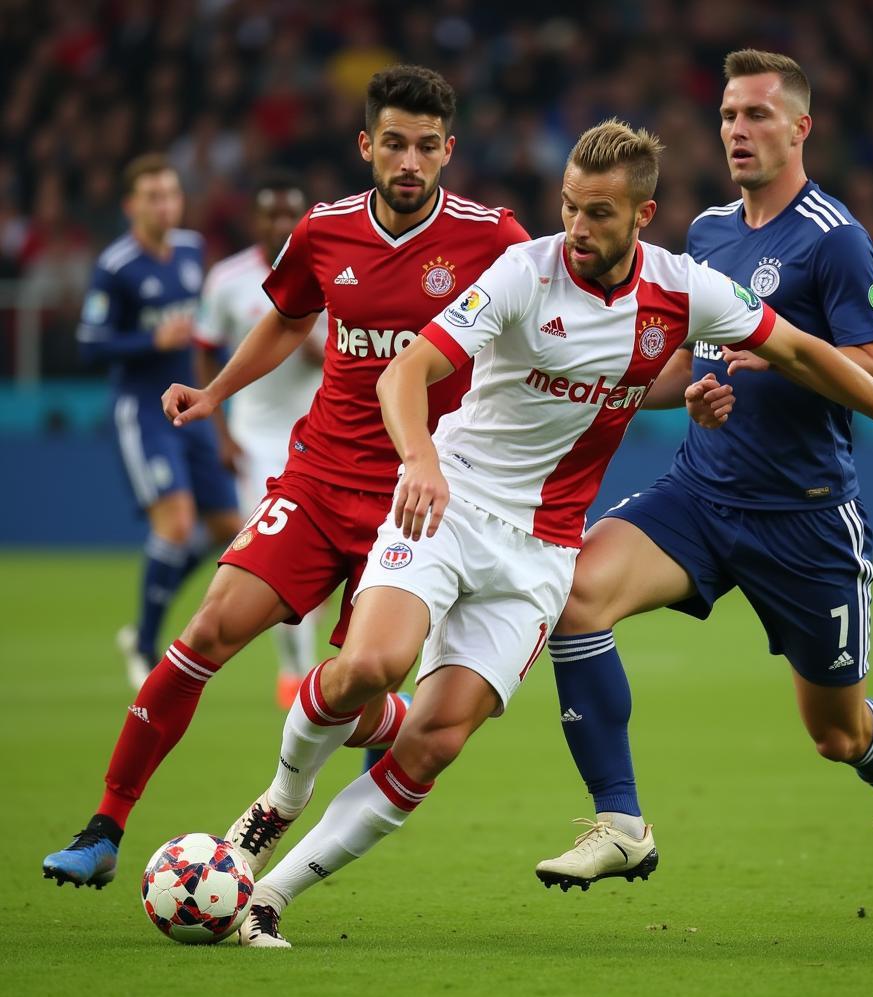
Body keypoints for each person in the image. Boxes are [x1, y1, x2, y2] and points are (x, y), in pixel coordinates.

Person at [222, 119, 873, 948]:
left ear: (643, 216)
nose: (577, 230)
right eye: (568, 207)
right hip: (452, 502)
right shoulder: (524, 271)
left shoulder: (683, 289)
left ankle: (269, 898)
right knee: (369, 668)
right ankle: (276, 806)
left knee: (434, 742)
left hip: (543, 549)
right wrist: (418, 459)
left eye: (596, 214)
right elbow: (409, 367)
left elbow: (803, 352)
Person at [42, 64, 529, 891]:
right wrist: (215, 391)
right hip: (319, 477)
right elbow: (287, 318)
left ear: (448, 151)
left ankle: (385, 719)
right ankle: (105, 825)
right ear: (366, 145)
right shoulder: (325, 230)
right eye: (394, 145)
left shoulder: (495, 238)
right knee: (206, 633)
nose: (409, 163)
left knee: (364, 678)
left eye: (426, 148)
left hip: (420, 502)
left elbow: (559, 314)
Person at [534, 49, 873, 892]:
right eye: (726, 116)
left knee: (835, 732)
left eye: (755, 115)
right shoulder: (709, 232)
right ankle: (620, 820)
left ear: (800, 128)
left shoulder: (836, 240)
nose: (737, 131)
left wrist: (768, 363)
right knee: (573, 597)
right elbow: (687, 363)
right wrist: (612, 390)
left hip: (805, 516)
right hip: (701, 494)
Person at [75, 154, 241, 691]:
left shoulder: (192, 251)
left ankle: (148, 617)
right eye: (153, 196)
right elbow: (89, 344)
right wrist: (152, 340)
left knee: (227, 532)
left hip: (189, 405)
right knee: (175, 522)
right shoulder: (117, 266)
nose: (165, 204)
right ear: (131, 206)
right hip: (143, 408)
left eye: (171, 193)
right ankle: (146, 645)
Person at [193, 171, 325, 710]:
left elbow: (337, 352)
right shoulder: (226, 280)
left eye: (288, 212)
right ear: (256, 219)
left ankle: (311, 669)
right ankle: (296, 672)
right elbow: (204, 349)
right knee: (276, 559)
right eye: (270, 213)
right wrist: (219, 431)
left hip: (321, 437)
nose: (280, 223)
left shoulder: (330, 270)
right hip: (254, 441)